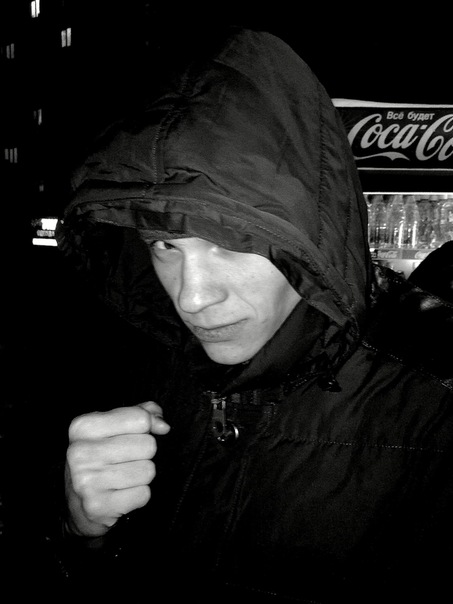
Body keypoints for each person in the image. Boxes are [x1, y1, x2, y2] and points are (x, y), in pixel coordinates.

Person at [26, 26, 453, 603]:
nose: (192, 298)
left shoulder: (434, 396)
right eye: (164, 245)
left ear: (311, 237)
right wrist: (81, 529)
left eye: (234, 243)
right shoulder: (141, 357)